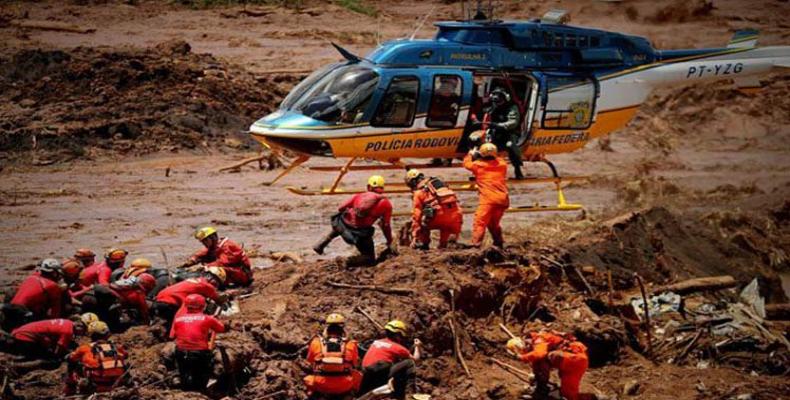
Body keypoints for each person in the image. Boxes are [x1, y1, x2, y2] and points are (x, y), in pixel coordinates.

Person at [313, 176, 395, 267]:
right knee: (370, 259)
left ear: (369, 187)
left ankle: (322, 243)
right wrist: (389, 241)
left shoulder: (359, 196)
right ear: (382, 188)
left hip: (341, 226)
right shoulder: (386, 204)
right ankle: (347, 262)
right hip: (358, 235)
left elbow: (341, 208)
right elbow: (386, 225)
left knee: (340, 217)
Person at [507, 331, 590, 400]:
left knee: (542, 359)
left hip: (574, 359)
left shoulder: (539, 339)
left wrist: (522, 357)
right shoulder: (538, 341)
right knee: (569, 396)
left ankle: (541, 387)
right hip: (576, 363)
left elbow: (540, 354)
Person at [169, 294, 227, 392]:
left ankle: (185, 392)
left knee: (184, 375)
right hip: (199, 353)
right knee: (201, 378)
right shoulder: (207, 318)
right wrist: (215, 320)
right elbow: (221, 328)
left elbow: (177, 333)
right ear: (203, 306)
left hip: (180, 352)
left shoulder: (178, 319)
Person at [359, 320, 422, 400]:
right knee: (409, 362)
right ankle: (410, 392)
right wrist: (417, 346)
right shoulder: (398, 348)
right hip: (379, 374)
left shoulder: (376, 342)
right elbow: (416, 360)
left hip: (365, 373)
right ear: (398, 335)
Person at [470, 87, 524, 179]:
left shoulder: (512, 107)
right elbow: (483, 114)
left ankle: (517, 168)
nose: (497, 102)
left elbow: (513, 123)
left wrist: (498, 125)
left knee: (510, 145)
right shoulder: (492, 107)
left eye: (499, 99)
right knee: (480, 146)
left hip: (509, 133)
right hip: (495, 132)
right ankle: (478, 172)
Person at [304, 313, 361, 399]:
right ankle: (354, 395)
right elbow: (355, 364)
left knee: (308, 378)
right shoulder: (351, 344)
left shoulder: (316, 342)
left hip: (321, 385)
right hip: (344, 386)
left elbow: (310, 361)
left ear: (326, 330)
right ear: (342, 330)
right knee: (358, 375)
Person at [463, 143, 510, 248]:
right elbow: (498, 159)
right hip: (503, 199)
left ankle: (476, 245)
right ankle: (499, 243)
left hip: (488, 200)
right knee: (493, 223)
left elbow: (466, 164)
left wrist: (470, 154)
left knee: (479, 221)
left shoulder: (478, 165)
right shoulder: (503, 165)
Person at [65, 321, 129, 395]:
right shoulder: (116, 347)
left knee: (73, 364)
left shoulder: (85, 348)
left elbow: (71, 358)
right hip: (117, 384)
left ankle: (70, 390)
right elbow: (126, 355)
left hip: (96, 386)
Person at [404, 169, 463, 249]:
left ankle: (423, 245)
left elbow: (417, 216)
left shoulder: (419, 193)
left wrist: (415, 235)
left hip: (438, 216)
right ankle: (446, 245)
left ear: (413, 182)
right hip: (455, 217)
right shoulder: (441, 185)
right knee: (445, 245)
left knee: (422, 223)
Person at [4, 259, 65, 330]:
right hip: (24, 314)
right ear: (54, 273)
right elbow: (55, 311)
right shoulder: (52, 285)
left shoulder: (31, 277)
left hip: (9, 308)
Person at [79, 273, 157, 330]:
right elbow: (144, 311)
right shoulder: (138, 293)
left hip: (89, 295)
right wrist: (147, 324)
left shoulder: (124, 282)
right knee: (115, 326)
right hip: (101, 303)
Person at [180, 227, 253, 288]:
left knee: (214, 270)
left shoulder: (227, 246)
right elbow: (202, 253)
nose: (204, 243)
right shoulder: (215, 246)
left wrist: (205, 267)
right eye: (202, 242)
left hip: (243, 274)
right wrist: (192, 260)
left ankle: (211, 287)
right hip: (233, 271)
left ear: (213, 237)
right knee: (206, 261)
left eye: (205, 241)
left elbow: (222, 263)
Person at [153, 269, 225, 326]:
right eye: (216, 283)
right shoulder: (206, 285)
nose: (215, 286)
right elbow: (219, 300)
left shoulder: (192, 280)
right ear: (211, 278)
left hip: (159, 299)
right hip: (171, 303)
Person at [6, 315, 89, 360]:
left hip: (23, 331)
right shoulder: (68, 331)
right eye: (83, 332)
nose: (82, 335)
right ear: (79, 326)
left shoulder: (67, 322)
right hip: (25, 337)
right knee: (44, 357)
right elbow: (59, 349)